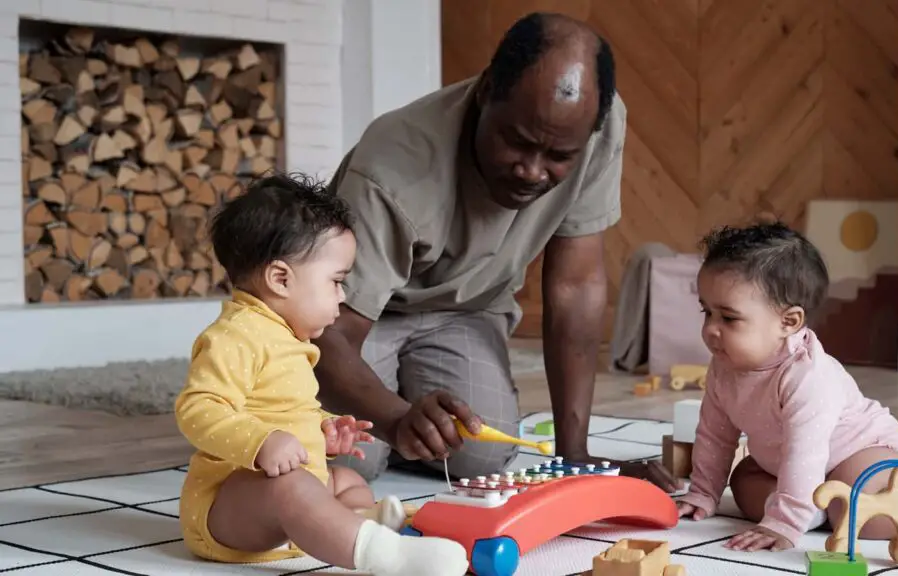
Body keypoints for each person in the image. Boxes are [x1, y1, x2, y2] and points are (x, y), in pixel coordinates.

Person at [311, 11, 683, 492]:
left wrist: (574, 458)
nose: (532, 171)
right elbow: (330, 332)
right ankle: (391, 401)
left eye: (558, 157)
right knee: (350, 460)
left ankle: (408, 395)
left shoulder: (597, 127)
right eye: (517, 141)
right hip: (366, 314)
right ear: (486, 90)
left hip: (466, 311)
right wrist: (397, 417)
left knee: (482, 455)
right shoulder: (392, 166)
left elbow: (575, 286)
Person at [174, 173, 469, 576]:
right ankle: (383, 555)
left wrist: (323, 429)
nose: (343, 296)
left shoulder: (287, 338)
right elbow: (197, 408)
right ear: (281, 279)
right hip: (225, 510)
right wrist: (261, 442)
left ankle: (355, 522)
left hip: (281, 497)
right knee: (292, 488)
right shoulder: (235, 335)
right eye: (336, 282)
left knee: (344, 479)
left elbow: (285, 409)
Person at [676, 220, 898, 551]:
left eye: (729, 318)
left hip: (861, 452)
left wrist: (783, 522)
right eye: (706, 312)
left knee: (859, 513)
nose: (711, 329)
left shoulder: (806, 377)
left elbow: (806, 450)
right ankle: (812, 509)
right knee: (744, 479)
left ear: (789, 321)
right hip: (789, 464)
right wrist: (704, 493)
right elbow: (715, 434)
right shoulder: (725, 366)